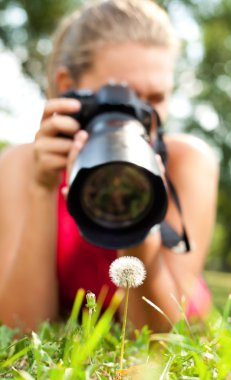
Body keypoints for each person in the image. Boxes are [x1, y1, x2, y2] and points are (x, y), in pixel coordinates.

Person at [0, 0, 219, 332]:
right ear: (67, 87)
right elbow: (21, 330)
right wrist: (43, 188)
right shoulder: (22, 165)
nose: (140, 115)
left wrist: (140, 210)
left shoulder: (188, 162)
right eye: (122, 98)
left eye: (156, 98)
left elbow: (159, 337)